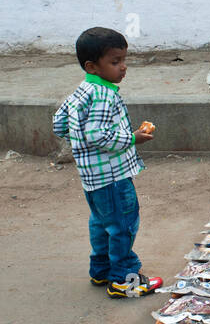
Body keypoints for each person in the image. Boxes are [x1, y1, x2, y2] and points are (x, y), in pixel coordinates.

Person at [53, 27, 162, 298]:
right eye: (115, 62)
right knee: (123, 224)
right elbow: (98, 135)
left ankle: (101, 270)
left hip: (92, 178)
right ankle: (124, 279)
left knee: (102, 223)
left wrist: (79, 142)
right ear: (92, 65)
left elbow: (59, 124)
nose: (123, 68)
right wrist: (132, 138)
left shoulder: (83, 89)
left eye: (124, 60)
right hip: (113, 175)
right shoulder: (105, 95)